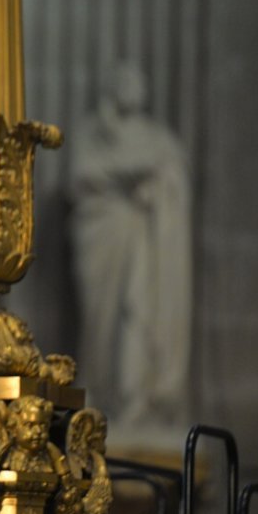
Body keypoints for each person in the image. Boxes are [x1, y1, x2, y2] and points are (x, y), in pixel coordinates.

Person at [67, 62, 192, 428]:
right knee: (99, 322)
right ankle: (101, 394)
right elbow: (81, 176)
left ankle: (137, 397)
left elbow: (172, 180)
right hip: (102, 240)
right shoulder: (92, 133)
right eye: (124, 81)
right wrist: (128, 171)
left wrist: (154, 189)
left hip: (143, 244)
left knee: (136, 312)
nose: (132, 87)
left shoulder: (159, 140)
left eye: (138, 81)